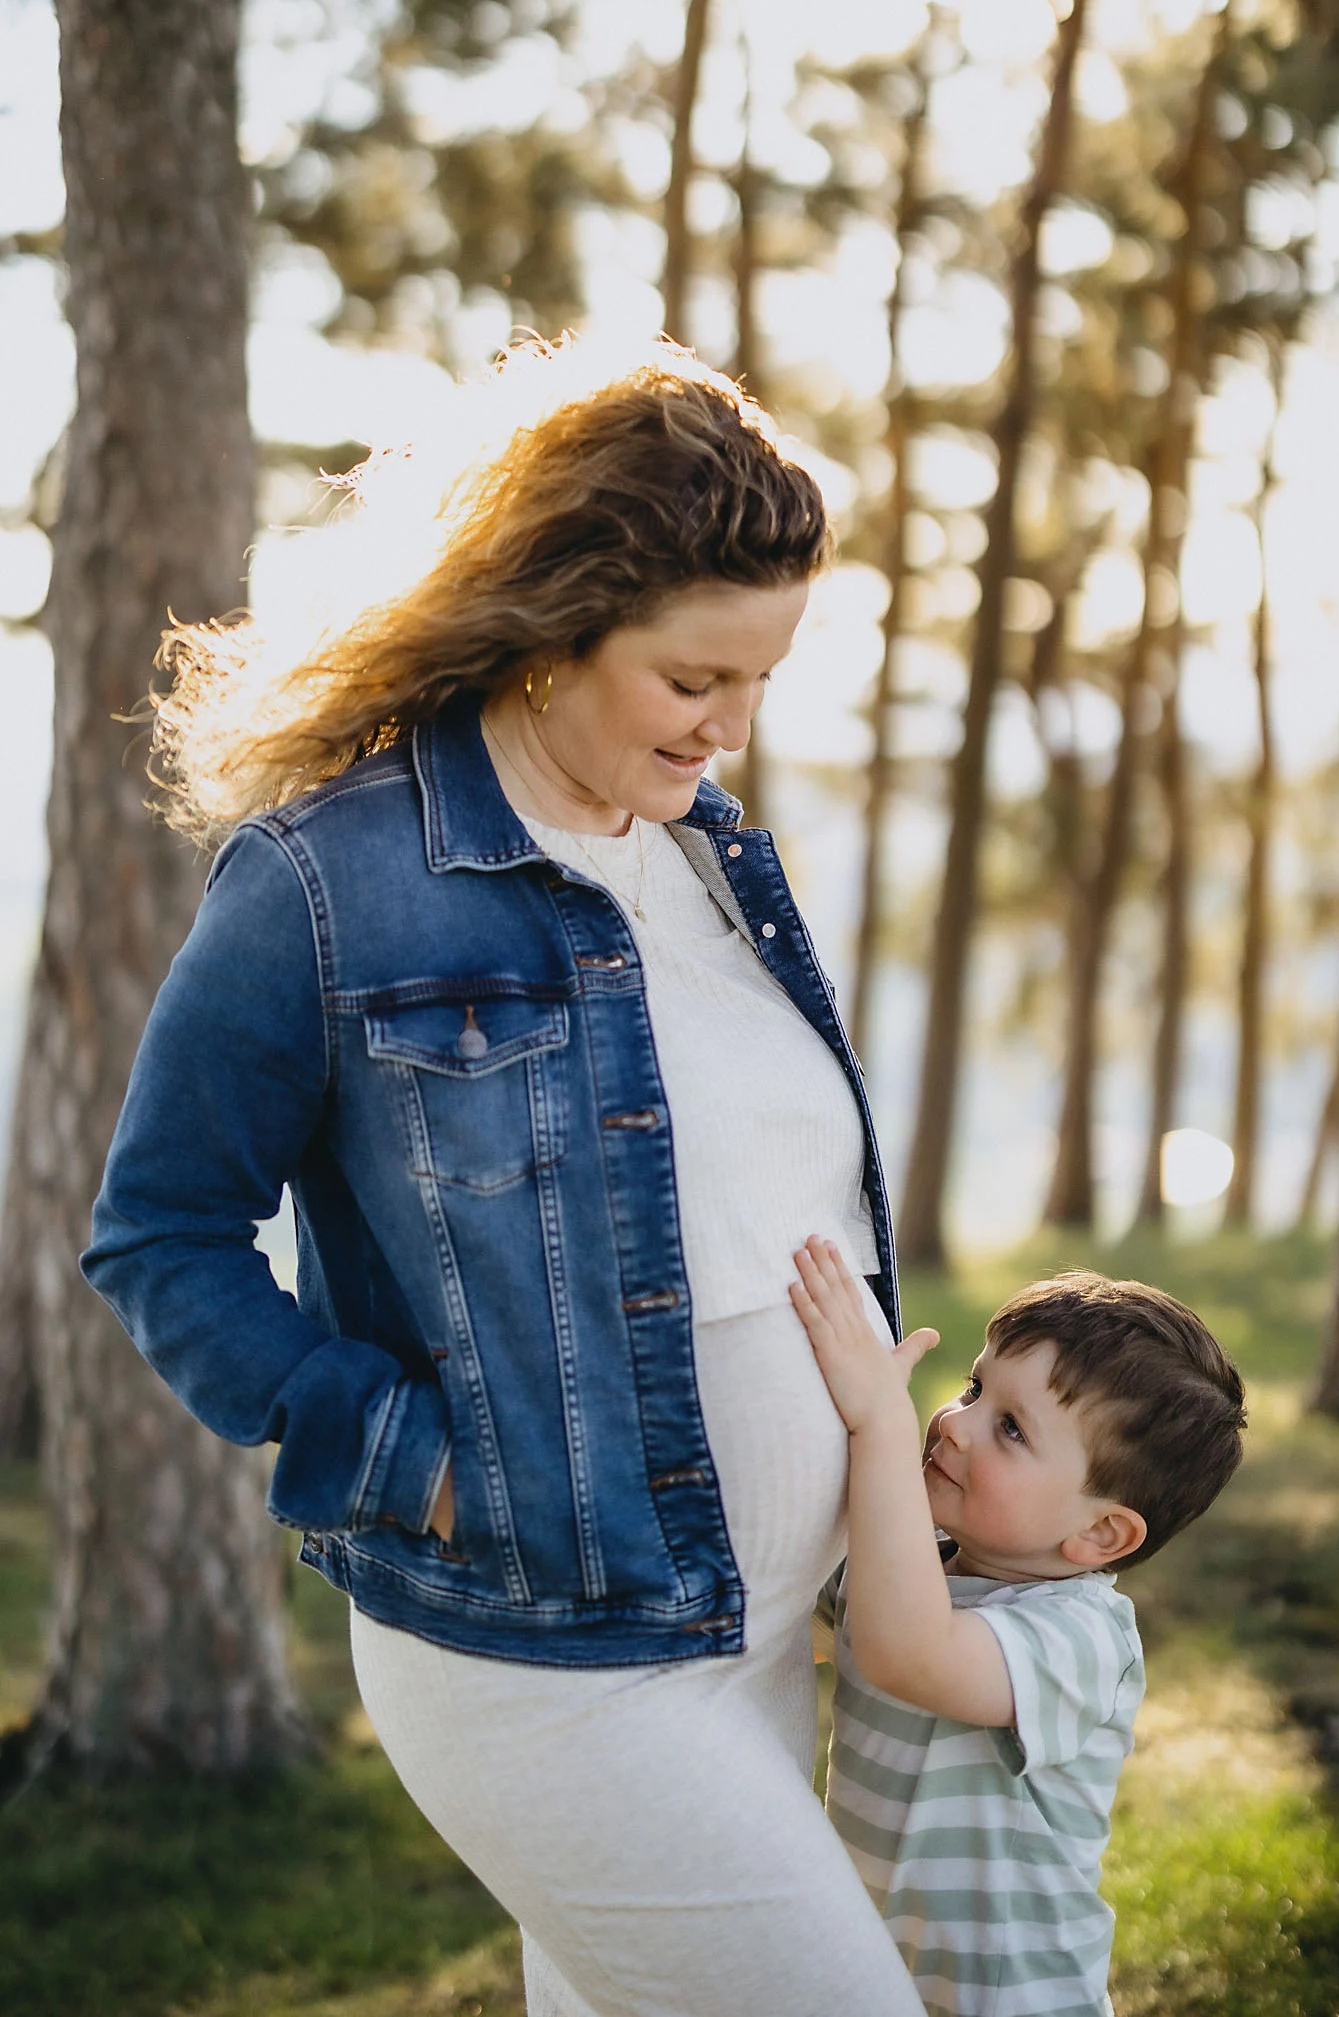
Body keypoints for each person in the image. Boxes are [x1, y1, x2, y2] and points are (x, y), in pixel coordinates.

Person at [83, 339, 927, 2017]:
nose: (732, 724)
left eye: (761, 679)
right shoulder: (330, 882)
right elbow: (159, 1236)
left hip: (754, 1628)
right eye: (695, 678)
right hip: (550, 1657)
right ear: (556, 631)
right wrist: (411, 1460)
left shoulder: (708, 850)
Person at [789, 1241, 1247, 2017]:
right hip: (877, 1977)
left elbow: (909, 1654)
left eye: (1009, 1429)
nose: (955, 1427)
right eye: (972, 1390)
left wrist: (878, 1428)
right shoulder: (911, 1564)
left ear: (1100, 1536)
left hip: (1013, 1998)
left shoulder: (1083, 1636)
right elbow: (788, 1621)